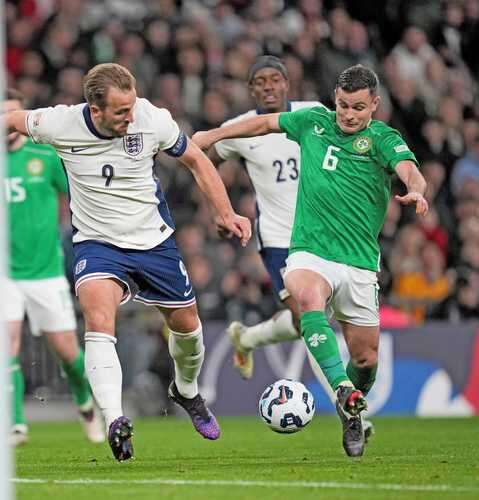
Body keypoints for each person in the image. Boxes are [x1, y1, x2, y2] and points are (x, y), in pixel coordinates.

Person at [6, 63, 251, 462]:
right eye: (121, 111)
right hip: (98, 245)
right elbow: (12, 119)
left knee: (188, 328)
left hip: (154, 242)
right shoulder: (60, 123)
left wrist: (225, 213)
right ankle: (115, 420)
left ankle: (185, 391)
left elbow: (197, 161)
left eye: (131, 106)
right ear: (95, 109)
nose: (130, 116)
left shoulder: (151, 118)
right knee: (99, 320)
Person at [193, 64, 428, 458]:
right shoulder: (314, 120)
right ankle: (342, 393)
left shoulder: (384, 139)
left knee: (366, 360)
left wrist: (416, 189)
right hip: (305, 249)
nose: (348, 115)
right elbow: (263, 124)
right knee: (307, 301)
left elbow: (409, 169)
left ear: (374, 105)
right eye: (342, 105)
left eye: (357, 107)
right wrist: (215, 134)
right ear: (333, 100)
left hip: (358, 262)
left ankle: (350, 405)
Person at [204, 55, 344, 414]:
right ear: (250, 89)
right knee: (311, 316)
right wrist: (220, 210)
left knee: (304, 322)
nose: (268, 86)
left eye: (274, 79)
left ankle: (247, 337)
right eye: (260, 81)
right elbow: (201, 158)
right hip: (279, 239)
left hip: (323, 235)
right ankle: (346, 408)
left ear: (287, 83)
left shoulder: (314, 113)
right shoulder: (241, 129)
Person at [3, 88, 104, 447]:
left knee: (67, 352)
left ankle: (85, 403)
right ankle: (15, 424)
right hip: (6, 275)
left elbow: (75, 194)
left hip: (45, 271)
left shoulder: (42, 156)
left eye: (14, 115)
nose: (9, 124)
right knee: (7, 347)